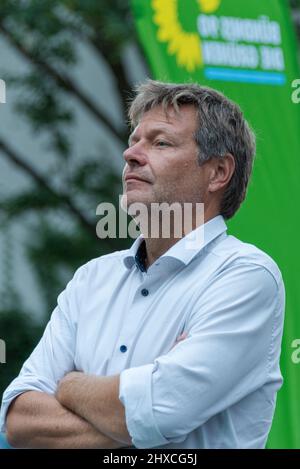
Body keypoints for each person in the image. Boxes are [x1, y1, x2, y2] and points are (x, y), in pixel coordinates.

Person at [0, 80, 285, 449]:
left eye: (160, 142)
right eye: (134, 140)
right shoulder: (92, 279)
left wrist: (69, 385)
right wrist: (140, 406)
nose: (130, 154)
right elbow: (19, 421)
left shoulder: (245, 276)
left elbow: (159, 410)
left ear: (217, 173)